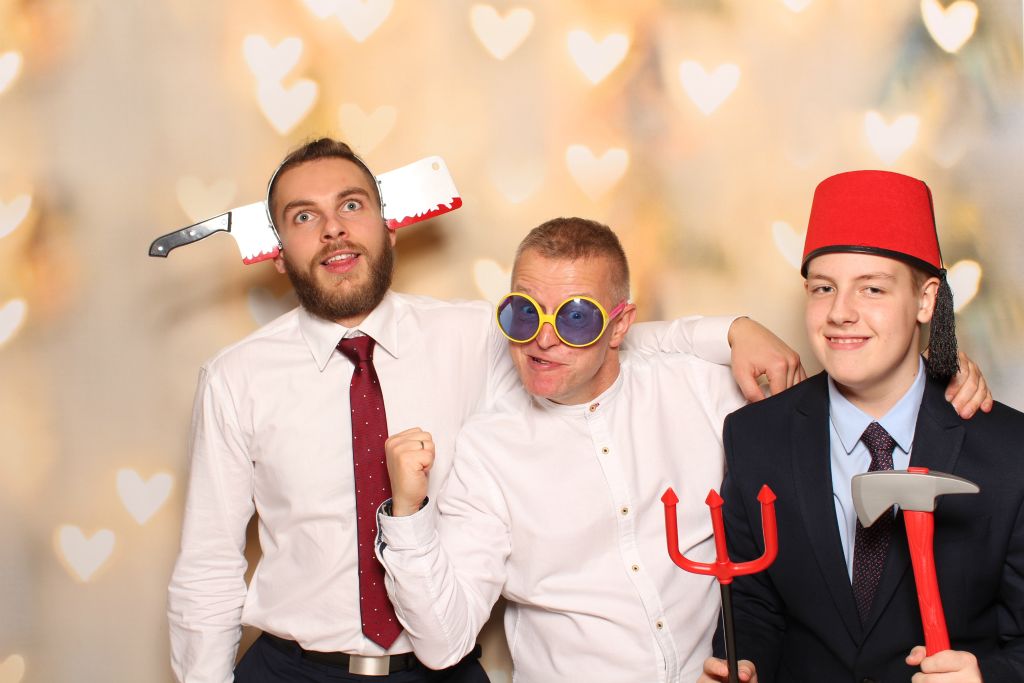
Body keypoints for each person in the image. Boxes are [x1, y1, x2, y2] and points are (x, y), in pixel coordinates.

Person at [164, 138, 809, 683]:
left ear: (388, 226)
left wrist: (732, 331)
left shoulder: (478, 332)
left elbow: (599, 341)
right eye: (304, 216)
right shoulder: (235, 379)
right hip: (295, 667)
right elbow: (208, 567)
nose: (333, 228)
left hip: (439, 665)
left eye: (351, 205)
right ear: (278, 252)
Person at [376, 216, 992, 683]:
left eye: (576, 319)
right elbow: (443, 642)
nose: (542, 340)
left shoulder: (704, 390)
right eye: (522, 314)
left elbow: (844, 401)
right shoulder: (487, 451)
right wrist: (408, 516)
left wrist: (935, 377)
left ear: (620, 325)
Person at [699, 170, 1023, 683]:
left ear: (925, 301)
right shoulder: (755, 437)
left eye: (872, 288)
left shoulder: (1009, 450)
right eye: (823, 288)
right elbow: (752, 604)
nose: (840, 313)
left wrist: (988, 676)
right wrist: (743, 665)